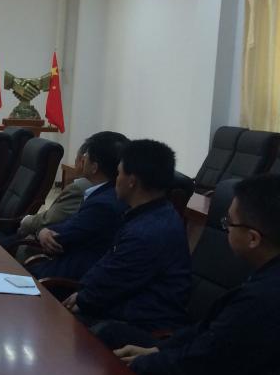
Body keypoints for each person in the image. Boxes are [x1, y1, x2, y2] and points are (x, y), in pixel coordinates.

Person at [114, 174, 280, 375]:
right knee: (113, 334)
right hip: (210, 369)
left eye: (229, 223)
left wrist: (144, 363)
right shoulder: (265, 277)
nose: (225, 228)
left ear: (253, 238)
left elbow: (202, 364)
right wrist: (158, 350)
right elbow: (209, 332)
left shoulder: (262, 299)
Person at [63, 139, 191, 338]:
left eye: (119, 173)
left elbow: (110, 285)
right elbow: (108, 270)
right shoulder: (150, 213)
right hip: (118, 310)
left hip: (138, 326)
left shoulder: (147, 232)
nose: (116, 180)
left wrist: (82, 298)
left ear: (132, 181)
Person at [26, 131, 129, 279]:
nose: (82, 159)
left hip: (64, 278)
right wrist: (44, 230)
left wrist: (42, 232)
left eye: (86, 156)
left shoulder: (103, 204)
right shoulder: (106, 193)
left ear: (94, 167)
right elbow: (71, 223)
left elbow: (59, 239)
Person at [14, 141, 93, 246]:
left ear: (82, 161)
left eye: (76, 159)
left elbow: (50, 220)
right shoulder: (103, 189)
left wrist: (26, 220)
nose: (75, 163)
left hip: (48, 245)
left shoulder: (78, 189)